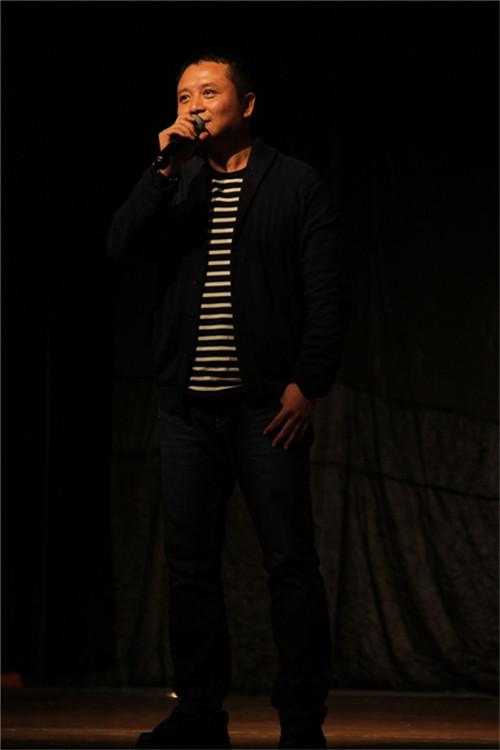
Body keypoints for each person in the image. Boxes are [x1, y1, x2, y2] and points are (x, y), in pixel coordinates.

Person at [107, 52, 350, 750]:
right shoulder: (177, 184)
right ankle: (199, 714)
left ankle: (300, 720)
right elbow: (120, 246)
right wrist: (162, 170)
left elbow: (328, 293)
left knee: (289, 563)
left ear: (246, 105)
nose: (193, 105)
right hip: (188, 410)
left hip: (266, 408)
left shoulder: (295, 182)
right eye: (183, 95)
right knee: (189, 567)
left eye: (208, 92)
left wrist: (307, 384)